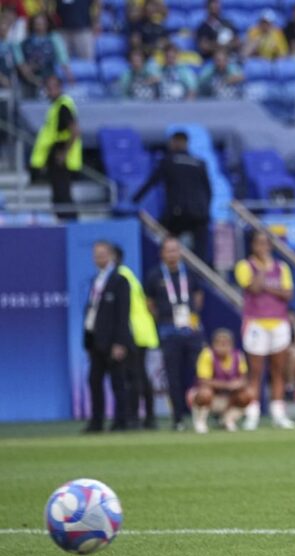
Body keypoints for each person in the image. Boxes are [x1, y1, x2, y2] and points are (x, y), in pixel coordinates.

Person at [235, 231, 295, 430]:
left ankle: (278, 413)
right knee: (255, 371)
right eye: (259, 243)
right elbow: (254, 288)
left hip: (279, 322)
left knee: (278, 370)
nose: (263, 247)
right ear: (253, 245)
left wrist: (268, 289)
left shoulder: (282, 267)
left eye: (266, 244)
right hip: (256, 323)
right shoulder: (245, 266)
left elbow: (288, 295)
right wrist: (262, 267)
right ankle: (252, 413)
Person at [145, 236, 205, 431]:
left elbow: (198, 296)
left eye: (175, 249)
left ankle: (200, 414)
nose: (172, 254)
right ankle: (178, 418)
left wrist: (192, 317)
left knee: (199, 373)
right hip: (168, 329)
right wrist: (164, 319)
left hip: (190, 328)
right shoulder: (155, 275)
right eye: (168, 250)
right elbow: (150, 303)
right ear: (162, 253)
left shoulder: (189, 273)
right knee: (173, 376)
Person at [132, 131, 213, 263]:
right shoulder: (199, 162)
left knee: (165, 238)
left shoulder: (168, 161)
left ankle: (166, 269)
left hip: (177, 213)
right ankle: (199, 276)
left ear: (174, 142)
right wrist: (205, 210)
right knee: (200, 253)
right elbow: (209, 190)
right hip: (200, 214)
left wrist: (134, 200)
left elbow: (152, 181)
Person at [83, 241, 133, 433]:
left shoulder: (120, 280)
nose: (99, 258)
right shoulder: (96, 279)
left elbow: (123, 314)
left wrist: (120, 342)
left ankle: (121, 421)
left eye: (103, 254)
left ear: (112, 256)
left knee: (118, 382)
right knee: (94, 381)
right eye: (96, 254)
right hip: (95, 339)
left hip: (113, 341)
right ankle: (96, 421)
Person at [112, 244, 159, 430]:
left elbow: (124, 309)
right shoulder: (127, 274)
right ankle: (147, 417)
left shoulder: (121, 276)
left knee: (136, 376)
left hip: (136, 331)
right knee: (140, 375)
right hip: (141, 329)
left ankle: (138, 417)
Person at [29, 76, 79, 222]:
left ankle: (70, 225)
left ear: (60, 87)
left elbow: (75, 131)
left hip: (61, 156)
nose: (50, 91)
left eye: (53, 87)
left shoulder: (63, 106)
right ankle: (63, 222)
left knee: (63, 194)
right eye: (48, 87)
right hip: (55, 155)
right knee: (58, 194)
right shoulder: (55, 106)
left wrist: (64, 153)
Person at [190, 328, 251, 434]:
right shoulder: (207, 355)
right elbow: (203, 380)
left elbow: (244, 378)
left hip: (229, 397)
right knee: (205, 393)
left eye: (226, 344)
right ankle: (200, 421)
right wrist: (227, 385)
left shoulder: (237, 355)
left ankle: (228, 420)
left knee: (247, 394)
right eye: (220, 344)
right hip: (210, 397)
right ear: (213, 344)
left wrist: (238, 383)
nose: (223, 348)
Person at [15, 14, 72, 98]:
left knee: (51, 85)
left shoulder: (54, 39)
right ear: (33, 25)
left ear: (47, 24)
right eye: (37, 24)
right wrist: (27, 71)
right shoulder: (26, 42)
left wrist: (69, 75)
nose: (39, 26)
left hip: (48, 75)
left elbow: (62, 58)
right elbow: (20, 59)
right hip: (29, 78)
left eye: (42, 23)